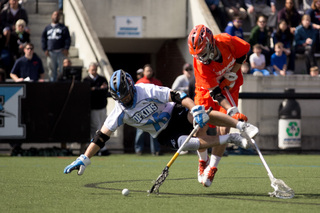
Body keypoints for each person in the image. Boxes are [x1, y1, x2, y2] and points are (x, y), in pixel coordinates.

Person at [64, 69, 258, 177]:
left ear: (131, 86)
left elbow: (176, 95)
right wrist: (85, 157)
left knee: (203, 115)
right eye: (120, 98)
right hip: (163, 133)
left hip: (174, 113)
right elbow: (100, 137)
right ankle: (231, 138)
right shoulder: (119, 111)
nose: (124, 101)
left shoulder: (145, 90)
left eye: (126, 96)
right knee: (187, 144)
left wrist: (194, 108)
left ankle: (239, 125)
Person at [188, 25, 257, 187]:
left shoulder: (226, 41)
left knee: (224, 129)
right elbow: (216, 93)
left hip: (230, 86)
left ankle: (212, 167)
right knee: (199, 126)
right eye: (197, 55)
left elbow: (242, 54)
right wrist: (232, 110)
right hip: (207, 89)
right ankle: (202, 161)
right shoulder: (200, 64)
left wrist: (233, 72)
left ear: (211, 44)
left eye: (203, 53)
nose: (201, 58)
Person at [83, 62, 110, 156]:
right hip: (93, 108)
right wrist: (99, 89)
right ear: (89, 70)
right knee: (96, 128)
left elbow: (105, 90)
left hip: (102, 107)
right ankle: (98, 148)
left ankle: (102, 147)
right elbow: (88, 92)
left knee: (103, 127)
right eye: (92, 69)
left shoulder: (102, 78)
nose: (94, 71)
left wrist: (95, 89)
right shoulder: (86, 80)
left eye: (95, 69)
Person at [135, 64, 162, 155]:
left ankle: (155, 150)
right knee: (140, 131)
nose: (149, 72)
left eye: (150, 71)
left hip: (155, 110)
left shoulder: (157, 82)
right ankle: (138, 149)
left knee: (154, 131)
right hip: (142, 111)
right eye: (147, 71)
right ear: (143, 72)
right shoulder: (139, 82)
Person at [41, 10, 71, 82]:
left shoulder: (63, 28)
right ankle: (52, 84)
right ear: (52, 16)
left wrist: (66, 48)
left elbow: (67, 38)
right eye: (54, 15)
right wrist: (45, 49)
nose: (56, 16)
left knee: (62, 70)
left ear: (60, 17)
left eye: (57, 15)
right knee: (52, 71)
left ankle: (61, 83)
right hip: (51, 52)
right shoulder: (47, 28)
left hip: (61, 51)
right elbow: (43, 39)